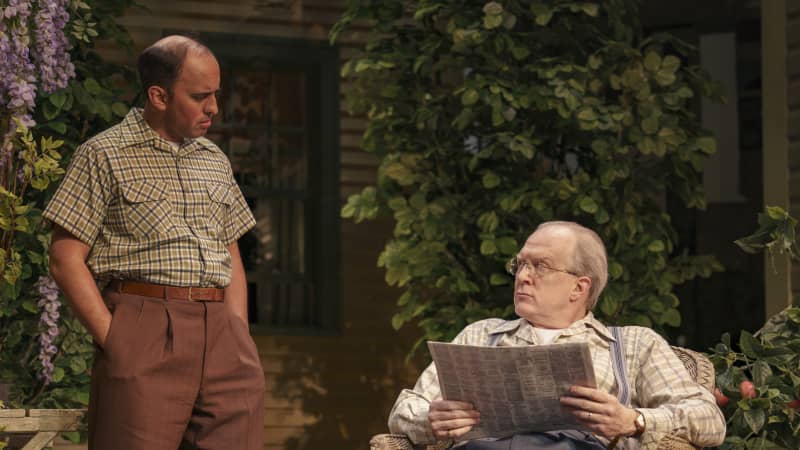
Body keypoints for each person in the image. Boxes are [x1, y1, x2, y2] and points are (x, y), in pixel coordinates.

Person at [45, 35, 264, 450]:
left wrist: (238, 332)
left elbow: (230, 249)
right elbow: (65, 258)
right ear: (159, 96)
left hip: (223, 337)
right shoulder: (104, 154)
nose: (213, 108)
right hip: (146, 326)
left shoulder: (214, 159)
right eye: (200, 96)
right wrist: (118, 341)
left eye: (216, 94)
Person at [388, 221, 726, 449]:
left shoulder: (634, 344)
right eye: (520, 265)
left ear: (579, 287)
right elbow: (405, 409)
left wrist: (634, 420)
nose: (523, 276)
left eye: (541, 267)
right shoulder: (480, 334)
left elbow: (709, 419)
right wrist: (431, 419)